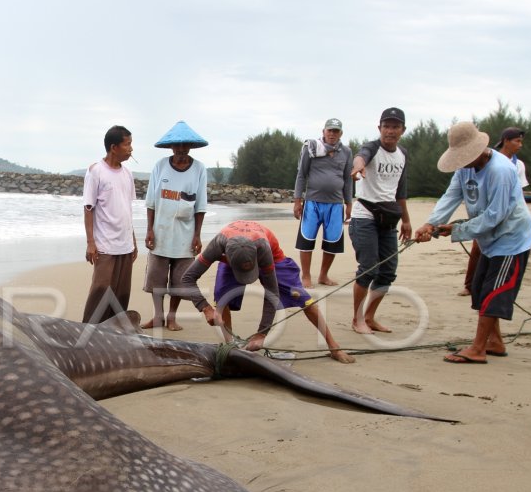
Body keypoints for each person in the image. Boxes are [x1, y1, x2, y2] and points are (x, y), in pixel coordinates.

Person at [415, 121, 531, 363]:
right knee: (479, 289)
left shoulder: (500, 171)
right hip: (487, 238)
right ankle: (495, 342)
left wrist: (460, 229)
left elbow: (496, 214)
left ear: (479, 150)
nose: (462, 162)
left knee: (494, 292)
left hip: (510, 238)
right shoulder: (464, 169)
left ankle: (478, 348)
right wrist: (431, 223)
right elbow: (452, 195)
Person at [180, 220, 354, 363]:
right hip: (232, 255)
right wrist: (205, 308)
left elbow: (272, 293)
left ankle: (333, 346)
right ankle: (230, 346)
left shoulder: (263, 248)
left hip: (274, 260)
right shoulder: (217, 246)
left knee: (304, 300)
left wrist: (262, 334)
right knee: (222, 299)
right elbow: (188, 278)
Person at [349, 108, 413, 334]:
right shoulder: (372, 147)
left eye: (395, 127)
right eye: (386, 126)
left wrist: (406, 221)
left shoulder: (403, 154)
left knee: (387, 271)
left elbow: (401, 192)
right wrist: (358, 166)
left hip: (389, 219)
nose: (390, 131)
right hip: (364, 217)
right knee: (368, 269)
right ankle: (357, 320)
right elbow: (361, 155)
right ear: (379, 128)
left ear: (402, 130)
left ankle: (370, 317)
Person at [142, 121, 208, 330]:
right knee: (156, 278)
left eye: (185, 146)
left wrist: (197, 235)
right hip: (161, 232)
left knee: (180, 280)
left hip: (185, 234)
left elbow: (200, 205)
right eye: (177, 146)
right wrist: (149, 229)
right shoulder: (160, 166)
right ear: (171, 147)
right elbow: (151, 202)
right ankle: (158, 316)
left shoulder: (199, 169)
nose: (180, 150)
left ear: (190, 147)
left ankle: (171, 316)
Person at [458, 126, 529, 296]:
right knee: (478, 248)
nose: (520, 145)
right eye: (516, 141)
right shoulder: (482, 163)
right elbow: (454, 193)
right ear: (506, 141)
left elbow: (517, 193)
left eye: (521, 141)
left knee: (491, 301)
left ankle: (478, 286)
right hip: (483, 215)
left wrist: (457, 230)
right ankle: (470, 284)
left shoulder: (516, 165)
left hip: (505, 225)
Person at [82, 125, 137, 323]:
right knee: (101, 290)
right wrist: (90, 243)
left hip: (125, 244)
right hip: (105, 245)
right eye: (127, 144)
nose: (131, 149)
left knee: (121, 294)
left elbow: (126, 209)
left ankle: (116, 334)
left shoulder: (127, 174)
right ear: (114, 147)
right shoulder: (96, 172)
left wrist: (133, 241)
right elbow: (89, 208)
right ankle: (89, 332)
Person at [293, 118, 353, 288]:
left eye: (336, 131)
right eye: (330, 130)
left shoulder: (347, 152)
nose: (332, 134)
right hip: (312, 202)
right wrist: (298, 201)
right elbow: (301, 175)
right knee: (306, 240)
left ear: (341, 133)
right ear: (323, 132)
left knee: (332, 242)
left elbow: (348, 180)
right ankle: (305, 275)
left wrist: (349, 203)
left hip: (335, 204)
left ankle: (323, 275)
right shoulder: (311, 149)